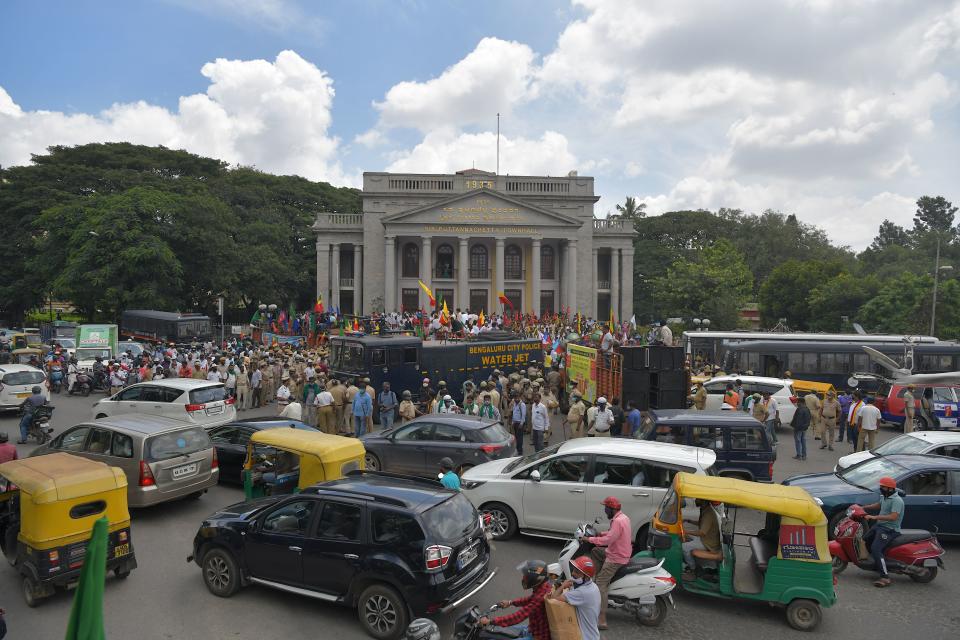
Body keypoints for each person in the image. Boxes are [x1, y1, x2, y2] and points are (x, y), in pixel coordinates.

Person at [583, 496, 631, 630]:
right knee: (596, 551)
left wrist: (590, 539)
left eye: (606, 508)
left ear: (611, 509)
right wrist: (599, 533)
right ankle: (594, 579)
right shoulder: (623, 518)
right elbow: (612, 534)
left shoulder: (617, 521)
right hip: (620, 552)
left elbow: (609, 540)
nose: (604, 510)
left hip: (616, 558)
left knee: (601, 584)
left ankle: (602, 618)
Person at [479, 560, 553, 640]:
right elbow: (530, 600)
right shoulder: (544, 587)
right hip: (531, 629)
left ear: (535, 579)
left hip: (537, 637)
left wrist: (490, 621)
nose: (524, 578)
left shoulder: (541, 597)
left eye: (526, 576)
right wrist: (511, 602)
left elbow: (517, 617)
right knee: (499, 631)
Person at [862, 477, 905, 588]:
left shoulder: (897, 500)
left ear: (890, 489)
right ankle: (878, 562)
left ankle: (885, 577)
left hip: (890, 529)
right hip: (880, 526)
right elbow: (878, 505)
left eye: (883, 487)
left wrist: (874, 516)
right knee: (866, 539)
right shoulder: (885, 497)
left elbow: (893, 516)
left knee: (876, 549)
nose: (881, 488)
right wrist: (863, 508)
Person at [548, 556, 601, 640]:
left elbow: (553, 599)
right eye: (573, 570)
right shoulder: (593, 586)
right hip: (593, 635)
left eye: (577, 572)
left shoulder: (582, 592)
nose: (573, 573)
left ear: (586, 576)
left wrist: (562, 586)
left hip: (584, 636)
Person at [682, 499, 722, 576]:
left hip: (708, 542)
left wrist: (686, 531)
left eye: (698, 499)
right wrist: (689, 521)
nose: (696, 500)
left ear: (704, 501)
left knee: (684, 547)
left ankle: (692, 569)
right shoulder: (705, 510)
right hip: (706, 538)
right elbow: (702, 524)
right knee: (685, 536)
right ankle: (687, 560)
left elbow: (702, 533)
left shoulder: (708, 514)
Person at [791, 395, 811, 460]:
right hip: (804, 427)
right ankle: (804, 455)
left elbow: (798, 420)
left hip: (799, 428)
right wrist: (806, 426)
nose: (797, 403)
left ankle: (799, 455)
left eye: (797, 402)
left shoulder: (799, 409)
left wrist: (795, 427)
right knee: (803, 441)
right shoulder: (807, 409)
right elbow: (809, 419)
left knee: (798, 441)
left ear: (800, 402)